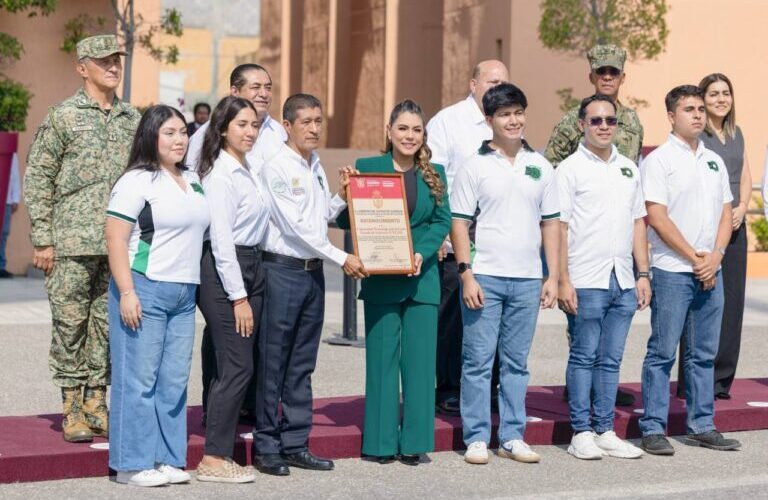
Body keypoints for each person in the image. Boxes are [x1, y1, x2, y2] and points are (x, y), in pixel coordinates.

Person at [24, 34, 140, 443]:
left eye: (117, 60)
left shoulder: (133, 118)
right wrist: (42, 239)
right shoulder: (63, 116)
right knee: (70, 326)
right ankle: (71, 407)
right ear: (82, 67)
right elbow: (38, 177)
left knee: (107, 327)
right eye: (104, 60)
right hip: (70, 243)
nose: (113, 66)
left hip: (117, 245)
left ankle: (96, 402)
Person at [254, 93, 367, 476]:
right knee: (274, 362)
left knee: (302, 363)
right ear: (287, 126)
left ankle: (295, 442)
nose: (314, 128)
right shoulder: (276, 166)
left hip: (311, 274)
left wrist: (341, 196)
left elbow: (319, 218)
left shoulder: (314, 163)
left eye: (319, 121)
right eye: (306, 121)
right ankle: (267, 445)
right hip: (282, 271)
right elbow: (294, 228)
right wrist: (342, 257)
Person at [451, 83, 560, 465]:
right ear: (489, 120)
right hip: (486, 277)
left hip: (528, 279)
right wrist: (466, 274)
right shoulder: (474, 165)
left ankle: (512, 436)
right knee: (478, 361)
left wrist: (553, 276)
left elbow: (551, 224)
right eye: (504, 114)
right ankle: (477, 436)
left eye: (518, 113)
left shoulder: (541, 166)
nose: (513, 121)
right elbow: (460, 224)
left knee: (516, 363)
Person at [337, 99, 451, 465]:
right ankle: (380, 443)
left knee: (419, 365)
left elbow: (441, 221)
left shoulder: (437, 173)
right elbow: (347, 222)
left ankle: (416, 441)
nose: (409, 136)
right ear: (389, 131)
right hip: (382, 279)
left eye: (416, 130)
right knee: (382, 362)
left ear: (424, 135)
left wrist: (420, 252)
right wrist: (346, 197)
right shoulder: (368, 168)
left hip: (422, 279)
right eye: (402, 128)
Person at [105, 105, 209, 487]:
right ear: (151, 135)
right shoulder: (137, 180)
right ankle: (130, 465)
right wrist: (127, 292)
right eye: (169, 132)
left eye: (183, 132)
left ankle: (166, 458)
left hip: (184, 292)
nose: (179, 139)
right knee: (137, 379)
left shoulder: (192, 178)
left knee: (173, 381)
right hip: (143, 284)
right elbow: (115, 238)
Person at [639, 85, 741, 455]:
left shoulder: (712, 160)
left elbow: (725, 213)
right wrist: (695, 258)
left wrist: (715, 256)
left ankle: (701, 424)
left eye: (700, 108)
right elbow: (657, 216)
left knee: (703, 354)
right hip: (672, 271)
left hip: (710, 270)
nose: (698, 114)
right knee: (663, 351)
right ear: (671, 116)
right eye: (689, 109)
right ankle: (652, 426)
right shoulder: (659, 161)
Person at [186, 63, 287, 424]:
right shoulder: (207, 138)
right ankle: (215, 411)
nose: (263, 92)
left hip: (265, 253)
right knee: (225, 338)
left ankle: (245, 408)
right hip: (222, 249)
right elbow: (199, 188)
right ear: (234, 91)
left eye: (268, 86)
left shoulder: (276, 133)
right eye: (254, 86)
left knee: (253, 339)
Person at [544, 44, 643, 407]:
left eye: (613, 72)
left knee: (611, 333)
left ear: (621, 77)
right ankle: (581, 389)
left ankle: (602, 387)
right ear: (591, 76)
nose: (606, 77)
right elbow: (551, 168)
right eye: (601, 71)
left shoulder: (631, 120)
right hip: (581, 229)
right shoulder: (574, 119)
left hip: (617, 232)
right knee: (583, 326)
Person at [556, 94, 649, 460]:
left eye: (610, 120)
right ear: (582, 125)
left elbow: (637, 223)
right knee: (583, 356)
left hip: (622, 278)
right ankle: (581, 431)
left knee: (611, 360)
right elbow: (558, 227)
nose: (604, 126)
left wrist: (643, 274)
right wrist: (562, 278)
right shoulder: (569, 170)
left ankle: (605, 428)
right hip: (585, 277)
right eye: (596, 121)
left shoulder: (629, 168)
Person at [426, 59, 510, 416]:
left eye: (503, 82)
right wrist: (444, 230)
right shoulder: (448, 121)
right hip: (457, 225)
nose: (496, 87)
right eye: (491, 81)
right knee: (453, 313)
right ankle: (447, 386)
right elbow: (434, 176)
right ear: (473, 84)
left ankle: (487, 384)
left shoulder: (508, 122)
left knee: (490, 309)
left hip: (495, 228)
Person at [194, 96, 268, 483]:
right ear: (222, 129)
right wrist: (238, 296)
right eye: (241, 124)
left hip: (251, 264)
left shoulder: (247, 168)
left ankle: (218, 450)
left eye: (254, 125)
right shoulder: (220, 175)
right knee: (237, 365)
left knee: (241, 362)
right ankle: (213, 458)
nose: (250, 132)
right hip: (226, 270)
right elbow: (221, 242)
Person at [677, 74, 751, 401]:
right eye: (713, 94)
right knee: (702, 302)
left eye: (726, 93)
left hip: (736, 225)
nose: (720, 99)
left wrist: (744, 206)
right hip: (706, 226)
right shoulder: (699, 136)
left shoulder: (737, 134)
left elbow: (745, 175)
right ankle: (693, 381)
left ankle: (721, 380)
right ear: (702, 100)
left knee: (732, 303)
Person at [0, 152, 21, 278]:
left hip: (6, 200)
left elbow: (15, 175)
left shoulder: (10, 152)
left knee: (4, 233)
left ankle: (1, 266)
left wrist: (15, 198)